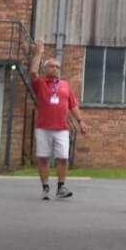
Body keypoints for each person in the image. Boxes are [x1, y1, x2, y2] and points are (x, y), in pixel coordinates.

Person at [31, 57, 86, 200]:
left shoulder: (65, 85)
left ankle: (61, 187)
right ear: (45, 69)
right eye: (52, 66)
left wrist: (80, 121)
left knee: (63, 157)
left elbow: (72, 105)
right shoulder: (40, 83)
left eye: (57, 67)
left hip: (62, 128)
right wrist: (38, 53)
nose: (55, 69)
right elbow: (32, 74)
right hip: (43, 127)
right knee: (43, 158)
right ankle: (45, 187)